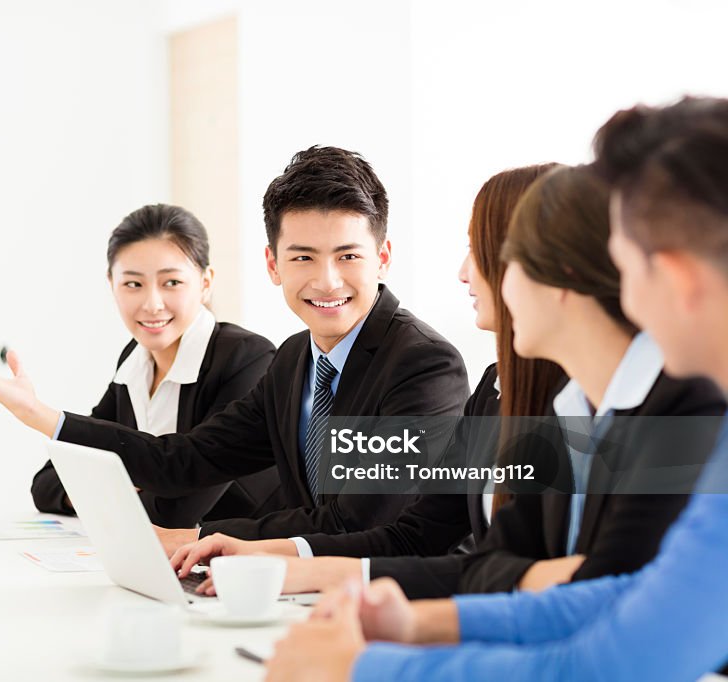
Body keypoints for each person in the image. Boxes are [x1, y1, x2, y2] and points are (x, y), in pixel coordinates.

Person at [264, 97, 728, 682]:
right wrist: (420, 625)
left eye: (625, 260)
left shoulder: (684, 414)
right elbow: (611, 600)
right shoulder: (568, 404)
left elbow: (616, 656)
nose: (619, 289)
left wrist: (368, 666)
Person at [0, 146, 469, 553]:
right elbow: (183, 459)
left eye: (348, 255)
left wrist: (202, 538)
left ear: (382, 258)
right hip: (302, 594)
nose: (327, 279)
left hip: (397, 606)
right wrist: (39, 413)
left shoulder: (422, 363)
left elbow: (357, 520)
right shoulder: (296, 360)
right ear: (273, 265)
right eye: (303, 257)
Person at [171, 164, 567, 597]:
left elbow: (545, 581)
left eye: (480, 250)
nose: (463, 272)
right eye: (304, 256)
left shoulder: (427, 363)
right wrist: (275, 560)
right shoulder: (496, 387)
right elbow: (417, 536)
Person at [29, 203, 282, 527]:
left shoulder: (246, 358)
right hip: (166, 560)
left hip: (251, 564)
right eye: (133, 284)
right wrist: (115, 494)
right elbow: (47, 483)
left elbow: (178, 511)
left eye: (171, 283)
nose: (151, 304)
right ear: (112, 284)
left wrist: (99, 494)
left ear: (205, 283)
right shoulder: (135, 360)